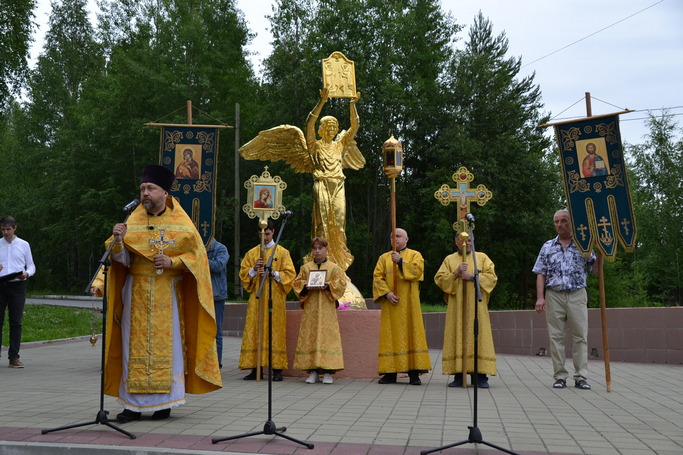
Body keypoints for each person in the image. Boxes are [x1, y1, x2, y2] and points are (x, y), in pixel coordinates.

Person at [91, 164, 222, 423]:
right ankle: (132, 406)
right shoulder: (132, 221)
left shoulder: (181, 222)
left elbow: (198, 257)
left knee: (169, 349)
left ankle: (165, 404)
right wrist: (117, 241)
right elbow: (121, 260)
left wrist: (173, 263)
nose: (145, 193)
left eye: (150, 188)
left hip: (168, 294)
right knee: (133, 347)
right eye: (142, 189)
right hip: (136, 293)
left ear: (165, 193)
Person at [533, 209, 601, 390]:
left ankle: (581, 377)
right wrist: (540, 298)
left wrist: (601, 254)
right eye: (556, 221)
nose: (560, 225)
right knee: (556, 337)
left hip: (577, 294)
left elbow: (595, 271)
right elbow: (540, 272)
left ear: (571, 222)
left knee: (580, 336)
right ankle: (560, 376)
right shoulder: (548, 246)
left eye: (563, 221)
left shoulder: (583, 245)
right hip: (554, 295)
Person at [435, 231, 498, 388]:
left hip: (477, 307)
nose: (467, 243)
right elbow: (440, 280)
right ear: (457, 242)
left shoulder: (482, 258)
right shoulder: (449, 259)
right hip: (457, 307)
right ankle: (458, 374)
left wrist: (471, 277)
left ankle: (480, 376)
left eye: (469, 240)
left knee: (479, 335)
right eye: (463, 240)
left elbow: (492, 278)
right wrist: (455, 273)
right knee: (457, 334)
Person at [372, 228, 431, 385]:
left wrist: (400, 261)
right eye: (392, 236)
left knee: (412, 334)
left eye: (398, 236)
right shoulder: (384, 258)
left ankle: (414, 373)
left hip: (409, 304)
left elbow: (418, 271)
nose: (395, 239)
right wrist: (387, 294)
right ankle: (390, 373)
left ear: (406, 239)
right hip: (392, 304)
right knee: (390, 336)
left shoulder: (415, 255)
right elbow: (378, 278)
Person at [238, 219, 295, 381]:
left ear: (273, 232)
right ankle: (255, 368)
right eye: (262, 235)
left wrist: (274, 274)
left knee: (274, 331)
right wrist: (254, 269)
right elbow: (243, 275)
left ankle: (277, 369)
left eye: (268, 234)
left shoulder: (282, 253)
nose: (265, 238)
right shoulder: (252, 253)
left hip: (274, 298)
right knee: (255, 329)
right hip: (257, 298)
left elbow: (290, 275)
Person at [292, 237, 346, 384]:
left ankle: (328, 372)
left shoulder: (334, 268)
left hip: (327, 310)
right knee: (311, 336)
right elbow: (296, 284)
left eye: (320, 248)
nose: (317, 251)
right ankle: (313, 371)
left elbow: (341, 284)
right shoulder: (306, 268)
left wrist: (328, 285)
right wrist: (306, 285)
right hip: (311, 309)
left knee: (327, 338)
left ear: (326, 249)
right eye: (314, 248)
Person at [0, 216, 36, 368]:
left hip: (17, 285)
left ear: (15, 228)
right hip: (1, 285)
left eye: (8, 229)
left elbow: (31, 265)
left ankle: (14, 357)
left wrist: (26, 274)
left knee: (16, 322)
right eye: (3, 229)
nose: (6, 233)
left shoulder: (23, 244)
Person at [207, 238, 229, 369]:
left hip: (216, 296)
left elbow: (218, 266)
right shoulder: (196, 247)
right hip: (200, 294)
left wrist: (200, 258)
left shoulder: (220, 248)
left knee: (216, 331)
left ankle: (217, 364)